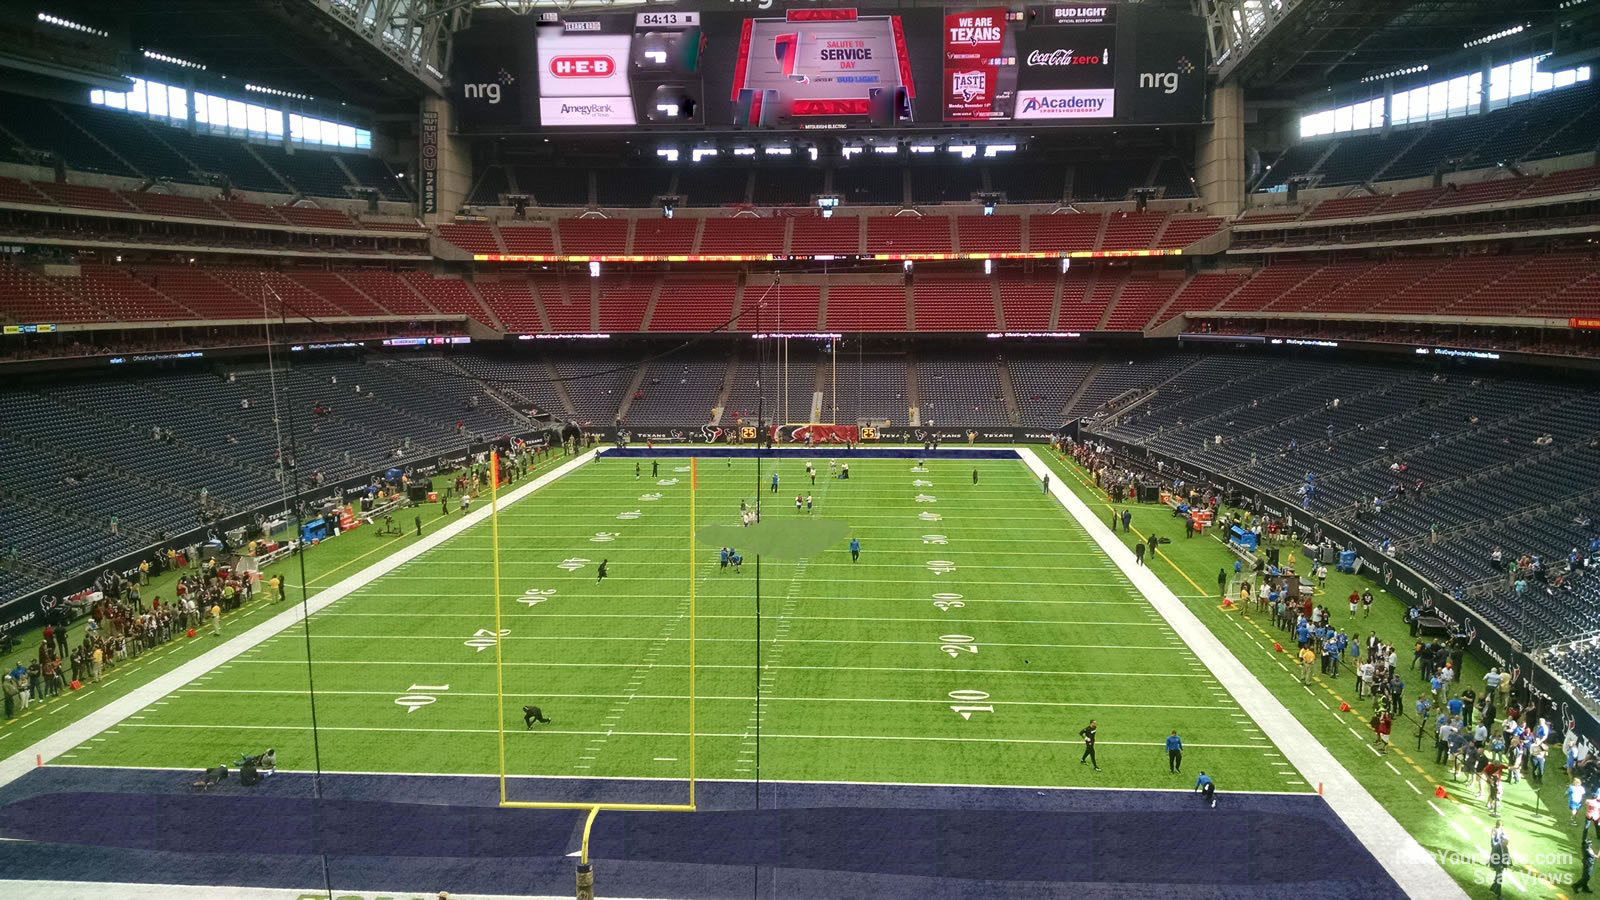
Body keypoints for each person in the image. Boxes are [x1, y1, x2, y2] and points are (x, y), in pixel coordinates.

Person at [1489, 822, 1509, 897]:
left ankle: (1492, 889)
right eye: (1506, 843)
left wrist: (1507, 864)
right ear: (1503, 842)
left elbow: (1507, 855)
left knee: (1497, 878)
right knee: (1499, 879)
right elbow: (1493, 856)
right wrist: (1495, 865)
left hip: (1501, 865)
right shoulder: (1496, 847)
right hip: (1497, 865)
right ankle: (1498, 895)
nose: (1506, 845)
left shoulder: (1505, 847)